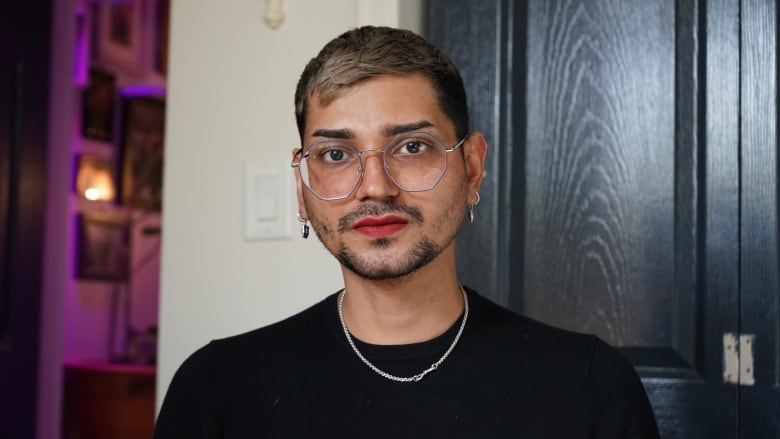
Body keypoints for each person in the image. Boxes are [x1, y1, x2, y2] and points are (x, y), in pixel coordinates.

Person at [154, 25, 660, 438]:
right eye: (335, 154)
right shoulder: (216, 389)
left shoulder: (590, 387)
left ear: (472, 167)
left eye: (412, 147)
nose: (375, 187)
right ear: (303, 188)